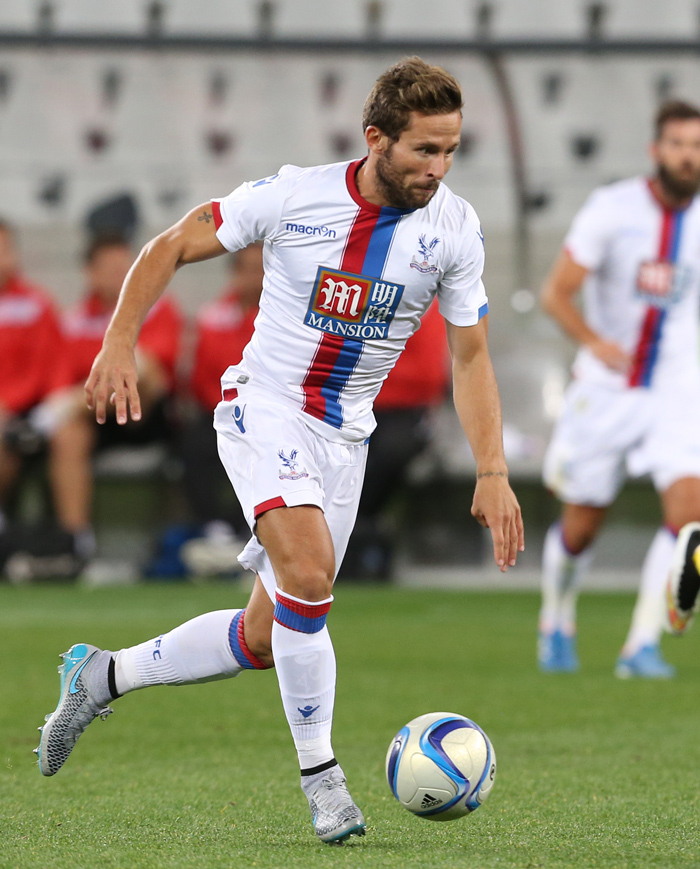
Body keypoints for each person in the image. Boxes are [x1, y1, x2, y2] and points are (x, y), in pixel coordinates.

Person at [36, 57, 524, 844]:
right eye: (423, 151)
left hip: (345, 438)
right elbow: (169, 244)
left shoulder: (454, 230)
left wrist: (493, 470)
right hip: (263, 407)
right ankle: (324, 782)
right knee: (308, 573)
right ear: (375, 139)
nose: (438, 169)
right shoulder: (294, 195)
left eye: (450, 152)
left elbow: (471, 358)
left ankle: (102, 674)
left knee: (267, 635)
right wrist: (118, 340)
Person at [538, 100, 700, 679]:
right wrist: (596, 342)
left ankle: (641, 646)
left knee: (687, 518)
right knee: (581, 527)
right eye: (679, 143)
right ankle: (556, 619)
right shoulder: (613, 209)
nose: (689, 155)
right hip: (606, 390)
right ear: (657, 151)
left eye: (697, 145)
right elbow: (557, 291)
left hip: (676, 390)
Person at [45, 233, 183, 564]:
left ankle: (52, 416)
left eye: (126, 266)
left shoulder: (159, 309)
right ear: (90, 272)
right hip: (99, 417)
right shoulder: (76, 321)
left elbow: (158, 365)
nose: (120, 274)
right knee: (67, 433)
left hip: (145, 414)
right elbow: (60, 376)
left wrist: (77, 397)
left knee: (140, 367)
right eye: (109, 268)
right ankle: (75, 544)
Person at [341, 298, 449, 579]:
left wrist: (369, 375)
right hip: (354, 405)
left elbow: (428, 376)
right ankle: (357, 532)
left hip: (405, 412)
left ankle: (357, 529)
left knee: (389, 452)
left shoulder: (425, 304)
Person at [178, 243, 263, 575]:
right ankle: (216, 528)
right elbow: (201, 377)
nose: (257, 277)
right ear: (235, 272)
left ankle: (260, 530)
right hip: (222, 411)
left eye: (262, 268)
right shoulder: (212, 318)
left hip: (272, 412)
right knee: (195, 442)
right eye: (249, 268)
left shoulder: (287, 317)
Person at [0, 220, 64, 551]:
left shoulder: (37, 304)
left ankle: (72, 542)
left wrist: (12, 405)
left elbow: (51, 367)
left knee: (70, 431)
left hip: (31, 412)